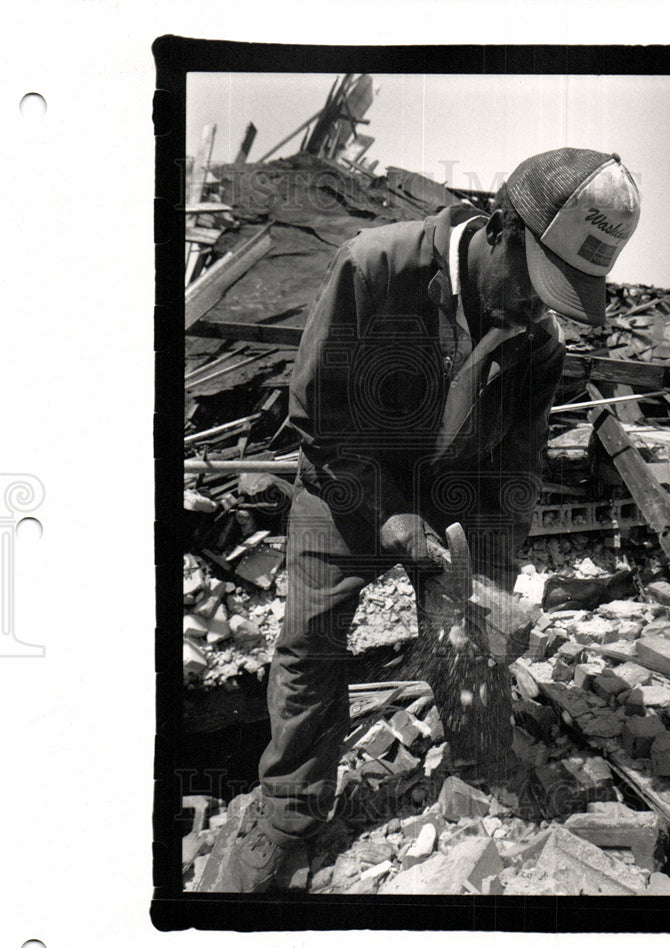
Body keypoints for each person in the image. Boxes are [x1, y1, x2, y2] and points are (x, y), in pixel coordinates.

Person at [220, 147, 641, 892]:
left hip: (449, 489)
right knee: (311, 645)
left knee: (468, 634)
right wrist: (387, 514)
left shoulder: (536, 339)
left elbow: (515, 468)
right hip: (345, 480)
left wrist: (496, 583)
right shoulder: (377, 267)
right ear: (502, 228)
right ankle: (287, 814)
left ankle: (483, 764)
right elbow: (317, 414)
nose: (536, 306)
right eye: (536, 282)